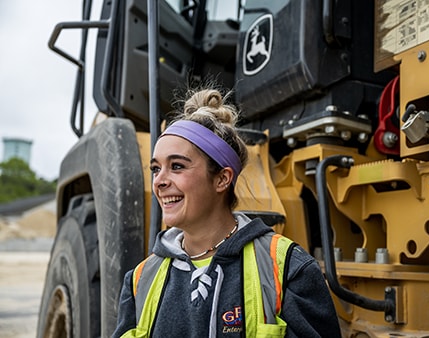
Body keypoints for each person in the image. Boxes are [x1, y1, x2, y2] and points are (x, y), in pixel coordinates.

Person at [112, 87, 342, 337]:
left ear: (222, 179)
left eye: (177, 166)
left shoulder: (289, 270)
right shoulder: (139, 280)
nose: (159, 181)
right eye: (156, 169)